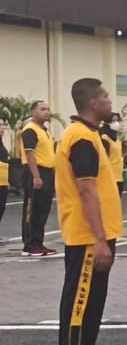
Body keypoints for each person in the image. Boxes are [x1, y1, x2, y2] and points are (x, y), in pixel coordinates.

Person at [55, 78, 122, 345]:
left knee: (93, 300)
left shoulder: (89, 135)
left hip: (94, 234)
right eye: (105, 95)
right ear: (93, 102)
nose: (110, 101)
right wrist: (99, 238)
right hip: (87, 236)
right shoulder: (81, 137)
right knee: (82, 300)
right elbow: (86, 190)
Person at [19, 100, 59, 256]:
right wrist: (36, 176)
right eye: (42, 109)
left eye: (48, 109)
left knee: (43, 209)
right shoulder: (30, 130)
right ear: (33, 112)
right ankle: (30, 244)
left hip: (47, 172)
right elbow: (30, 153)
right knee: (33, 209)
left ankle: (39, 242)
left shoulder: (44, 130)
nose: (47, 112)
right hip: (35, 171)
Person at [100, 113, 127, 192]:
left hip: (118, 175)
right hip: (108, 176)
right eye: (113, 121)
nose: (116, 123)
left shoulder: (116, 138)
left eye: (117, 120)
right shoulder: (104, 137)